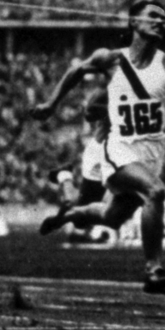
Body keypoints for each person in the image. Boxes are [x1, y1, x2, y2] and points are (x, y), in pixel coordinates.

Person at [29, 0, 165, 297]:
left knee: (111, 218)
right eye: (153, 16)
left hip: (151, 153)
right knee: (156, 191)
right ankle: (154, 270)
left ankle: (66, 214)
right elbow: (76, 71)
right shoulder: (111, 59)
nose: (160, 22)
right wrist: (51, 105)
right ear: (133, 22)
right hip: (119, 149)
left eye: (164, 19)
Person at [40, 86, 111, 238]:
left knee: (83, 214)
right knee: (81, 218)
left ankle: (64, 176)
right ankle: (64, 176)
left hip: (111, 153)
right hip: (101, 156)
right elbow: (92, 112)